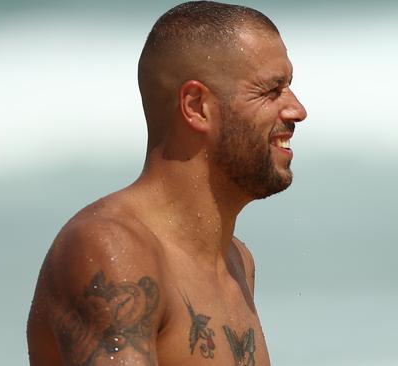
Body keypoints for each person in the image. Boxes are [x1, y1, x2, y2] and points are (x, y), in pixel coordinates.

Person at [26, 1, 307, 365]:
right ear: (196, 106)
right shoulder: (114, 249)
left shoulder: (237, 262)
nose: (297, 109)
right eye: (271, 90)